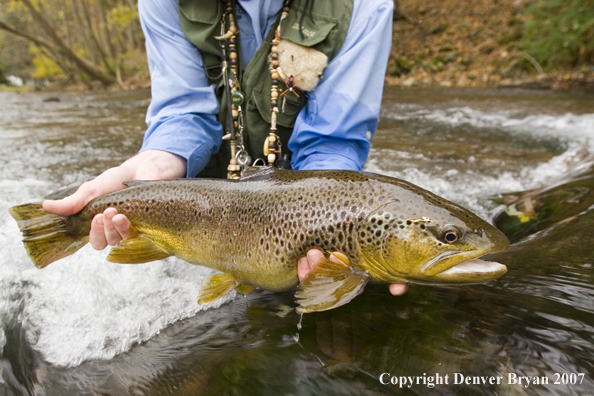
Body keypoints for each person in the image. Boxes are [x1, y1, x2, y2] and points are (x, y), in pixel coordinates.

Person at [43, 0, 408, 297]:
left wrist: (335, 227)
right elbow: (182, 114)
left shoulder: (365, 6)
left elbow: (332, 143)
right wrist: (142, 173)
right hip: (202, 201)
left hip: (298, 205)